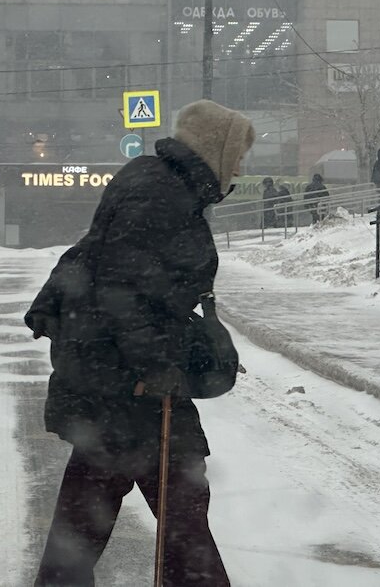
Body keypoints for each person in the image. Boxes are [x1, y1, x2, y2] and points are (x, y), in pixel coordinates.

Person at [25, 98, 254, 587]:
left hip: (109, 379)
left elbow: (109, 267)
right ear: (215, 149)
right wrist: (155, 366)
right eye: (238, 153)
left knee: (96, 516)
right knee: (181, 509)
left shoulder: (160, 183)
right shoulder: (161, 193)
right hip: (129, 386)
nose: (241, 166)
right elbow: (119, 285)